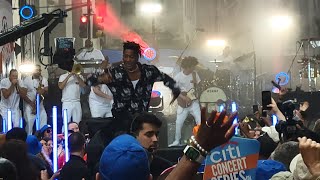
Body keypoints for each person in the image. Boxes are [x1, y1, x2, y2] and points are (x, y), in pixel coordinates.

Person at [99, 41, 180, 132]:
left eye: (131, 57)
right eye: (125, 56)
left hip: (140, 122)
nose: (128, 60)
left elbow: (168, 80)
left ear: (138, 57)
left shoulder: (149, 71)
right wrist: (101, 69)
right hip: (120, 122)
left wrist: (175, 90)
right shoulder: (115, 72)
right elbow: (91, 81)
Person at [169, 56, 201, 147]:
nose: (194, 68)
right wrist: (183, 98)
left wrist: (197, 91)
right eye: (192, 66)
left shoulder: (195, 74)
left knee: (199, 120)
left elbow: (198, 87)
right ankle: (176, 140)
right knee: (179, 122)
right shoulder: (178, 77)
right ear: (187, 67)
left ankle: (199, 140)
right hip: (183, 103)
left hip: (194, 102)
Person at [130, 112, 173, 179]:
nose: (155, 139)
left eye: (156, 134)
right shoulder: (125, 167)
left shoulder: (166, 168)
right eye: (149, 134)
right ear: (135, 136)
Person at [22, 65, 48, 134]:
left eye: (39, 70)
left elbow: (45, 93)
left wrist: (41, 90)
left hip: (40, 106)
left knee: (43, 123)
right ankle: (28, 140)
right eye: (37, 70)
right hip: (29, 106)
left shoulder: (44, 80)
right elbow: (23, 94)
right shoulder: (26, 79)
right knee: (29, 126)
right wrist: (31, 104)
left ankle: (43, 139)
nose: (38, 71)